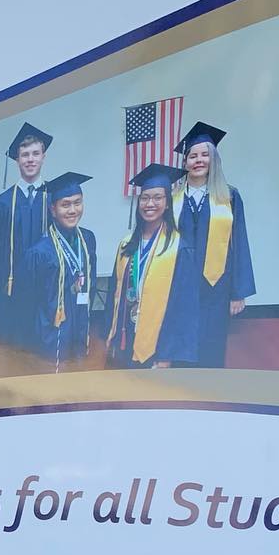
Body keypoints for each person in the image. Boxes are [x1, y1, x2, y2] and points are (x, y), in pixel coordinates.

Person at [171, 122, 256, 367]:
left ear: (214, 159)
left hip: (215, 288)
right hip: (178, 288)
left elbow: (239, 243)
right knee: (180, 347)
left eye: (205, 154)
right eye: (193, 155)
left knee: (211, 348)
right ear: (185, 161)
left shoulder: (229, 196)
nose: (199, 160)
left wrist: (237, 293)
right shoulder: (172, 198)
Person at [106, 164, 197, 369]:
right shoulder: (126, 245)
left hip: (157, 346)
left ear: (167, 203)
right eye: (145, 198)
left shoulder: (179, 247)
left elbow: (182, 308)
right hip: (125, 338)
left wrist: (167, 354)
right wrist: (109, 337)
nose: (150, 204)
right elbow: (114, 294)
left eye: (157, 198)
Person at [0, 120, 53, 369]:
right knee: (9, 356)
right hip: (12, 292)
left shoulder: (54, 198)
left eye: (35, 153)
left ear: (43, 157)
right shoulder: (1, 204)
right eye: (24, 154)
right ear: (17, 160)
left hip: (44, 290)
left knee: (40, 356)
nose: (30, 159)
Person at [20, 171, 97, 370]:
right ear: (53, 210)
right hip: (50, 330)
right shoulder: (39, 251)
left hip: (80, 322)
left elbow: (91, 282)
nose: (73, 210)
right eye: (65, 204)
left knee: (78, 373)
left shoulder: (88, 239)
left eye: (77, 202)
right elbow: (28, 301)